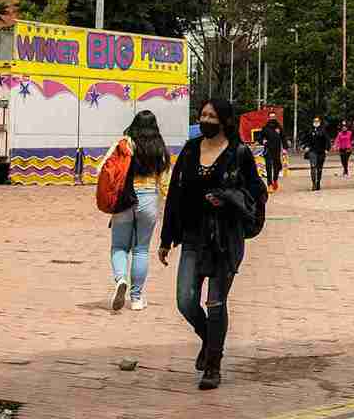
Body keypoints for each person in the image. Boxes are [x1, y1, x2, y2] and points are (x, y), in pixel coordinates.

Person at [159, 98, 265, 391]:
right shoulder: (191, 150)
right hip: (193, 237)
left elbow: (257, 192)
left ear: (225, 121)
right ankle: (210, 340)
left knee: (216, 303)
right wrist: (166, 238)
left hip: (224, 239)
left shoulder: (238, 153)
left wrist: (228, 198)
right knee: (186, 300)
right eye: (203, 114)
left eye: (211, 115)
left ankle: (213, 366)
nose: (205, 119)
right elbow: (175, 196)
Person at [101, 110, 172, 312]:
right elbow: (165, 182)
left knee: (119, 247)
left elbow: (104, 168)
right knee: (141, 249)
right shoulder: (160, 148)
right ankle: (137, 298)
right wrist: (166, 202)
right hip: (149, 199)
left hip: (125, 199)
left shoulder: (124, 144)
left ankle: (121, 278)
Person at [302, 115, 330, 191]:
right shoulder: (309, 130)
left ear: (320, 122)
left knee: (319, 168)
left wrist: (327, 149)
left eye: (317, 121)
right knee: (313, 167)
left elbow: (327, 140)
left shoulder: (323, 130)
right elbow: (304, 140)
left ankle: (318, 182)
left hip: (321, 151)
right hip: (312, 151)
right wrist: (305, 146)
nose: (316, 123)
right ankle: (313, 183)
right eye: (315, 121)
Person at [256, 115, 284, 189]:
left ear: (275, 118)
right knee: (268, 167)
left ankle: (275, 180)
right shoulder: (265, 128)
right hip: (268, 150)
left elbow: (283, 137)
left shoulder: (279, 127)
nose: (272, 118)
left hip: (277, 150)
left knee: (277, 167)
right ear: (268, 118)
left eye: (273, 117)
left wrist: (285, 148)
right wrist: (263, 141)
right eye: (271, 117)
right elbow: (259, 137)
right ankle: (269, 184)